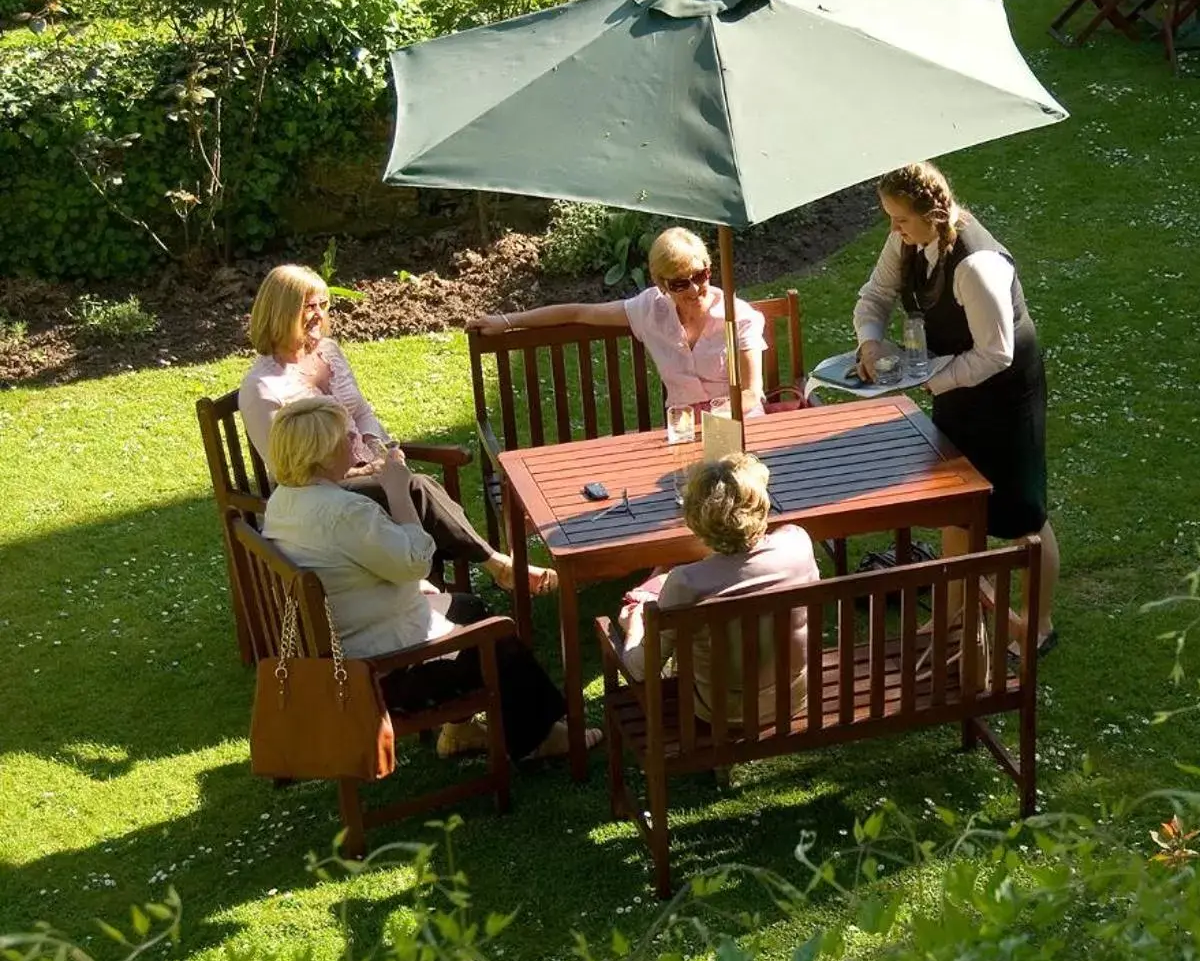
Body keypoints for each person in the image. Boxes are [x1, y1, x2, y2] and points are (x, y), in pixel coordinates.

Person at [260, 397, 583, 762]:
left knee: (468, 606)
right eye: (345, 439)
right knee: (499, 636)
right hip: (377, 671)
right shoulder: (345, 511)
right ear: (319, 453)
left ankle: (460, 732)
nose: (355, 444)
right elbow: (415, 560)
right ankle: (539, 739)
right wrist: (398, 491)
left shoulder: (284, 502)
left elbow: (349, 565)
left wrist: (411, 587)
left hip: (340, 647)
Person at [238, 263, 554, 596]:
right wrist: (369, 470)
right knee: (416, 490)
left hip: (365, 468)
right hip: (323, 494)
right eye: (308, 307)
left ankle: (432, 596)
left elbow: (360, 412)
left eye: (323, 305)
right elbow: (287, 470)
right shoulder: (262, 388)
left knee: (410, 490)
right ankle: (492, 567)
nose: (319, 315)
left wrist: (379, 448)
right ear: (281, 312)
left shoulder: (328, 353)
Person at [852, 162, 1058, 653]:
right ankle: (955, 615)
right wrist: (870, 344)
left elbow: (996, 353)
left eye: (899, 219)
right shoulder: (906, 240)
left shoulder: (976, 265)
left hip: (1006, 394)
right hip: (953, 384)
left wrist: (929, 379)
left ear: (932, 214)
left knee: (1022, 515)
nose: (893, 228)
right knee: (957, 504)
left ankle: (1038, 624)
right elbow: (875, 296)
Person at [474, 227, 767, 419]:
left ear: (709, 269)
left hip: (739, 425)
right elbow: (579, 313)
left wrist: (714, 425)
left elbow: (751, 394)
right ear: (661, 283)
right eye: (680, 284)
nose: (693, 290)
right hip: (683, 432)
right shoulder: (649, 310)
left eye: (700, 276)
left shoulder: (738, 317)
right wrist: (506, 321)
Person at [614, 453, 818, 726]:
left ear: (695, 520)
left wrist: (634, 627)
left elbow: (640, 670)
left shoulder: (686, 583)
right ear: (761, 505)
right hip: (793, 698)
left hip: (722, 712)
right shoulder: (797, 542)